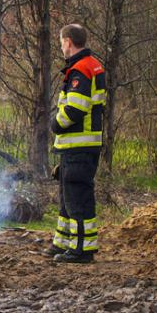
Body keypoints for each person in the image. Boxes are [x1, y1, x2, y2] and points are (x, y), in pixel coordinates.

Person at [44, 24, 106, 264]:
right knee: (66, 197)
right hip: (77, 147)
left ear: (68, 41)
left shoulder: (81, 69)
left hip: (80, 147)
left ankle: (81, 250)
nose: (61, 46)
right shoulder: (91, 65)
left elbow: (75, 108)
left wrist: (55, 124)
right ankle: (63, 242)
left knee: (76, 199)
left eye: (61, 42)